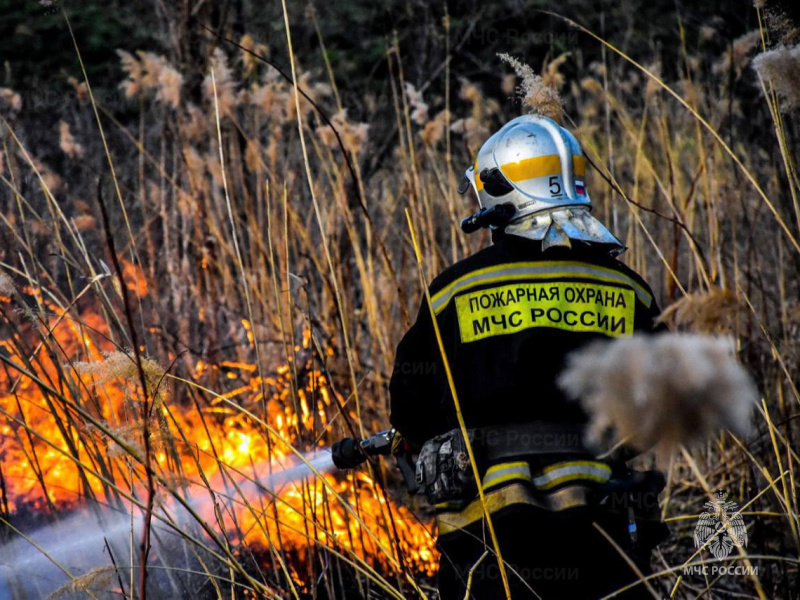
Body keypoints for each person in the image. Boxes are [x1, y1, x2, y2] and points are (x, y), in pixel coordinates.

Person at [389, 114, 668, 599]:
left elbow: (410, 410)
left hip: (491, 544)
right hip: (602, 537)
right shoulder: (630, 290)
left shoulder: (453, 292)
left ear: (501, 193)